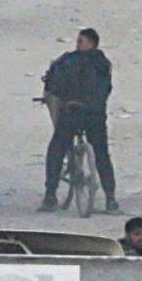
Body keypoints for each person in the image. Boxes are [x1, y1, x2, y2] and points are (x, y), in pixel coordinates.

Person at [41, 27, 116, 216]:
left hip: (72, 113)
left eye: (80, 41)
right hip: (95, 115)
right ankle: (110, 198)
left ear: (90, 43)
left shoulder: (69, 61)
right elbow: (105, 89)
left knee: (56, 148)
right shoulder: (103, 63)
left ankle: (50, 195)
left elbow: (54, 84)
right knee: (102, 154)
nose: (77, 44)